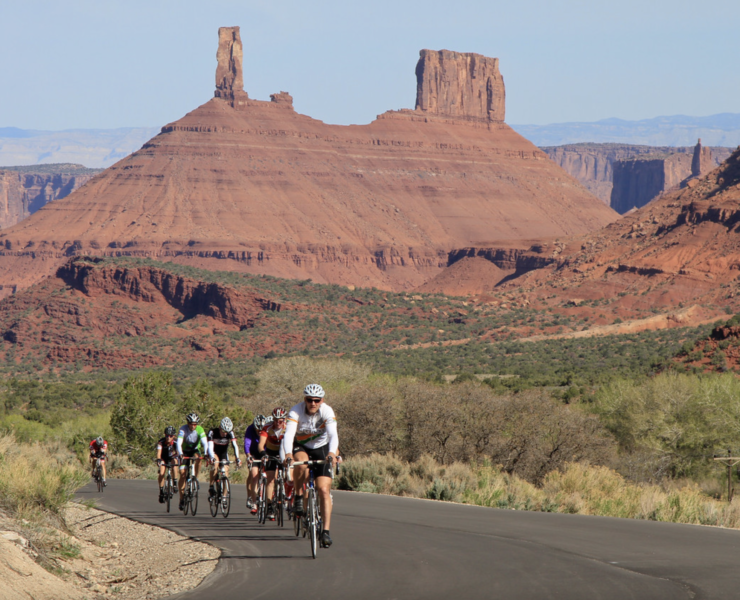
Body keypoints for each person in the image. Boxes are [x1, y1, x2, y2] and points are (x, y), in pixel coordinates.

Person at [280, 384, 338, 548]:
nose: (313, 403)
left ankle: (325, 532)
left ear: (322, 400)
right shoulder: (296, 410)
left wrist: (332, 453)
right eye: (309, 400)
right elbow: (289, 434)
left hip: (322, 448)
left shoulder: (327, 411)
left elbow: (333, 434)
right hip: (302, 446)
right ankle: (299, 496)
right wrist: (288, 454)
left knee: (324, 490)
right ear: (304, 399)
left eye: (316, 400)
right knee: (302, 466)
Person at [257, 407, 287, 520]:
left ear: (284, 420)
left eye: (280, 421)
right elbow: (260, 444)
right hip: (270, 453)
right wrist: (264, 453)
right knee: (270, 478)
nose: (277, 423)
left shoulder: (288, 427)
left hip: (284, 452)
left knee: (290, 476)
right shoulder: (267, 427)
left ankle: (288, 497)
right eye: (275, 420)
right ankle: (269, 505)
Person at [176, 413, 209, 511]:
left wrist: (206, 453)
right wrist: (180, 453)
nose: (193, 426)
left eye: (195, 424)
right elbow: (179, 443)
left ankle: (196, 477)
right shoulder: (183, 429)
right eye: (191, 424)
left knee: (198, 458)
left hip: (195, 450)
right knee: (182, 474)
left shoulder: (200, 429)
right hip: (184, 451)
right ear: (188, 423)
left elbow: (205, 443)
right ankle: (181, 499)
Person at [207, 417, 242, 499]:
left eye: (227, 432)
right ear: (220, 427)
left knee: (225, 472)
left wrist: (237, 458)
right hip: (214, 452)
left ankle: (224, 496)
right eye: (223, 431)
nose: (225, 434)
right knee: (215, 465)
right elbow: (210, 447)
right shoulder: (212, 432)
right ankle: (211, 486)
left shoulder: (230, 433)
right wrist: (212, 457)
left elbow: (235, 446)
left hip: (223, 453)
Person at [244, 415, 267, 513]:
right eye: (257, 429)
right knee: (254, 476)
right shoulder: (250, 429)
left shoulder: (267, 429)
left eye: (261, 430)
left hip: (264, 453)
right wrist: (248, 455)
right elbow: (247, 443)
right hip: (253, 453)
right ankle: (254, 502)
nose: (259, 432)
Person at [156, 426, 180, 503]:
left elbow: (178, 453)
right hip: (163, 458)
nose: (168, 438)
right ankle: (161, 490)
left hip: (172, 458)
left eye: (170, 436)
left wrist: (179, 458)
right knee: (162, 473)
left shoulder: (176, 442)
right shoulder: (161, 442)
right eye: (166, 435)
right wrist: (158, 460)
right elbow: (159, 453)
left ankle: (175, 483)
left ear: (173, 436)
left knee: (175, 463)